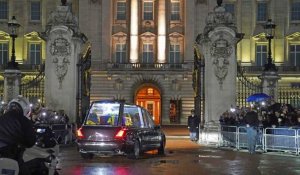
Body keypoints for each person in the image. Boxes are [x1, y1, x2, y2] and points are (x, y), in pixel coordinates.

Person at [0, 96, 37, 174]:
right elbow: (31, 141)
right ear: (25, 109)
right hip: (12, 156)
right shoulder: (24, 120)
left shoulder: (1, 118)